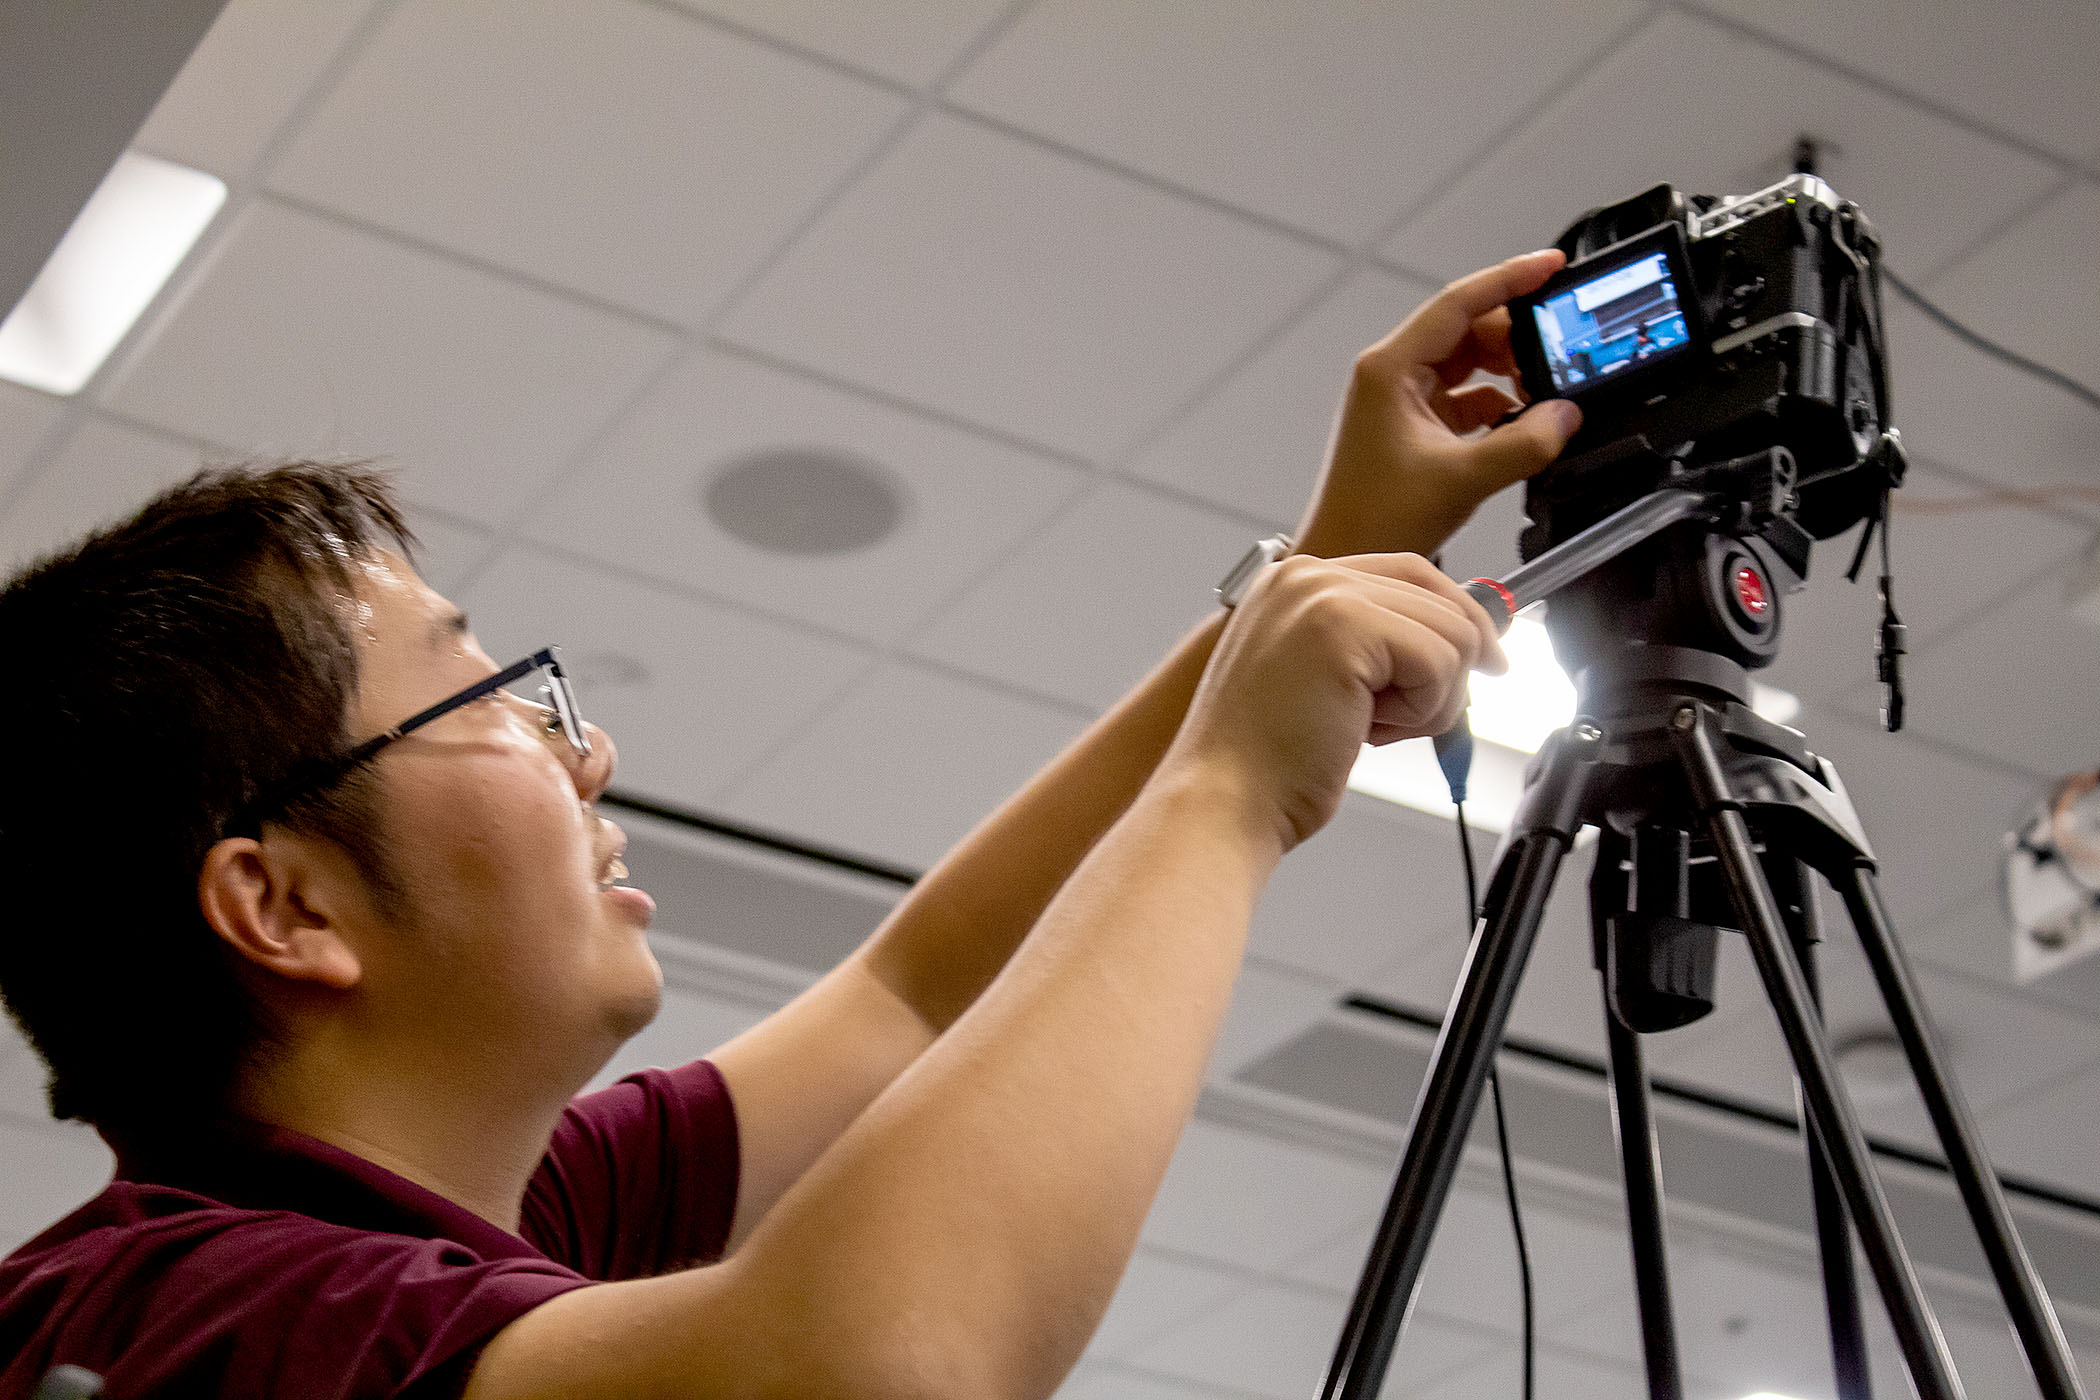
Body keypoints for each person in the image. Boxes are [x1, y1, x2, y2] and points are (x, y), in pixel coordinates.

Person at [0, 252, 1579, 1399]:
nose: (590, 753)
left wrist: (1338, 553)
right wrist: (1234, 793)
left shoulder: (497, 1226)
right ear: (284, 906)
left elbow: (918, 997)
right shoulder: (176, 1319)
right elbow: (878, 1365)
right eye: (491, 708)